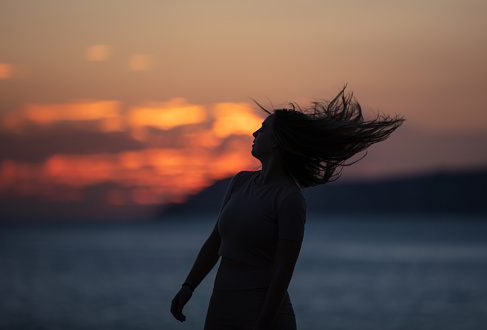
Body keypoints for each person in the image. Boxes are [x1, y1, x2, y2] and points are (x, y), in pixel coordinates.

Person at [170, 87, 404, 329]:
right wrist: (188, 286)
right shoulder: (240, 181)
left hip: (263, 311)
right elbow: (215, 241)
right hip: (220, 306)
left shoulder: (289, 198)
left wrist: (262, 323)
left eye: (262, 128)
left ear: (276, 142)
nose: (254, 132)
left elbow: (283, 271)